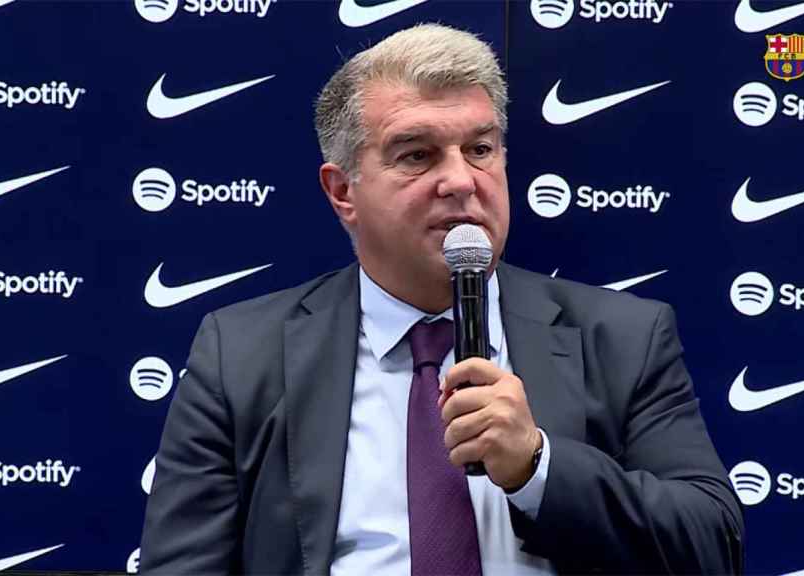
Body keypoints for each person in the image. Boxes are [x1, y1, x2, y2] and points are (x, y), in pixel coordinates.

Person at [139, 23, 743, 575]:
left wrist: (539, 467)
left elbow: (712, 545)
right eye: (417, 155)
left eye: (480, 149)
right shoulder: (241, 354)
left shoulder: (624, 338)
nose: (459, 180)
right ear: (343, 190)